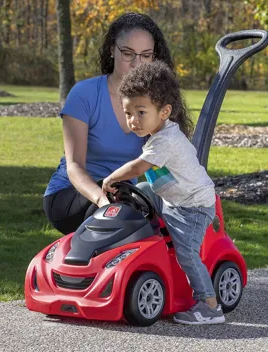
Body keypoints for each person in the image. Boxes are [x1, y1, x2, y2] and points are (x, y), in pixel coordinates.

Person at [102, 60, 225, 325]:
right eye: (128, 113)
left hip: (193, 207)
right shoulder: (157, 134)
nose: (133, 120)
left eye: (141, 112)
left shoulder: (166, 141)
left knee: (187, 253)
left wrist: (111, 177)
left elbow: (140, 166)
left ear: (164, 111)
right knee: (141, 191)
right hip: (173, 198)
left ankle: (210, 306)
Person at [43, 13, 174, 235]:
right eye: (128, 53)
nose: (136, 64)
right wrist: (103, 202)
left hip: (121, 195)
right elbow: (74, 166)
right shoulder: (84, 94)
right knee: (125, 211)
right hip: (72, 195)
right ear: (112, 50)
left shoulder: (156, 103)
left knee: (154, 213)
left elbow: (157, 162)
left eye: (146, 55)